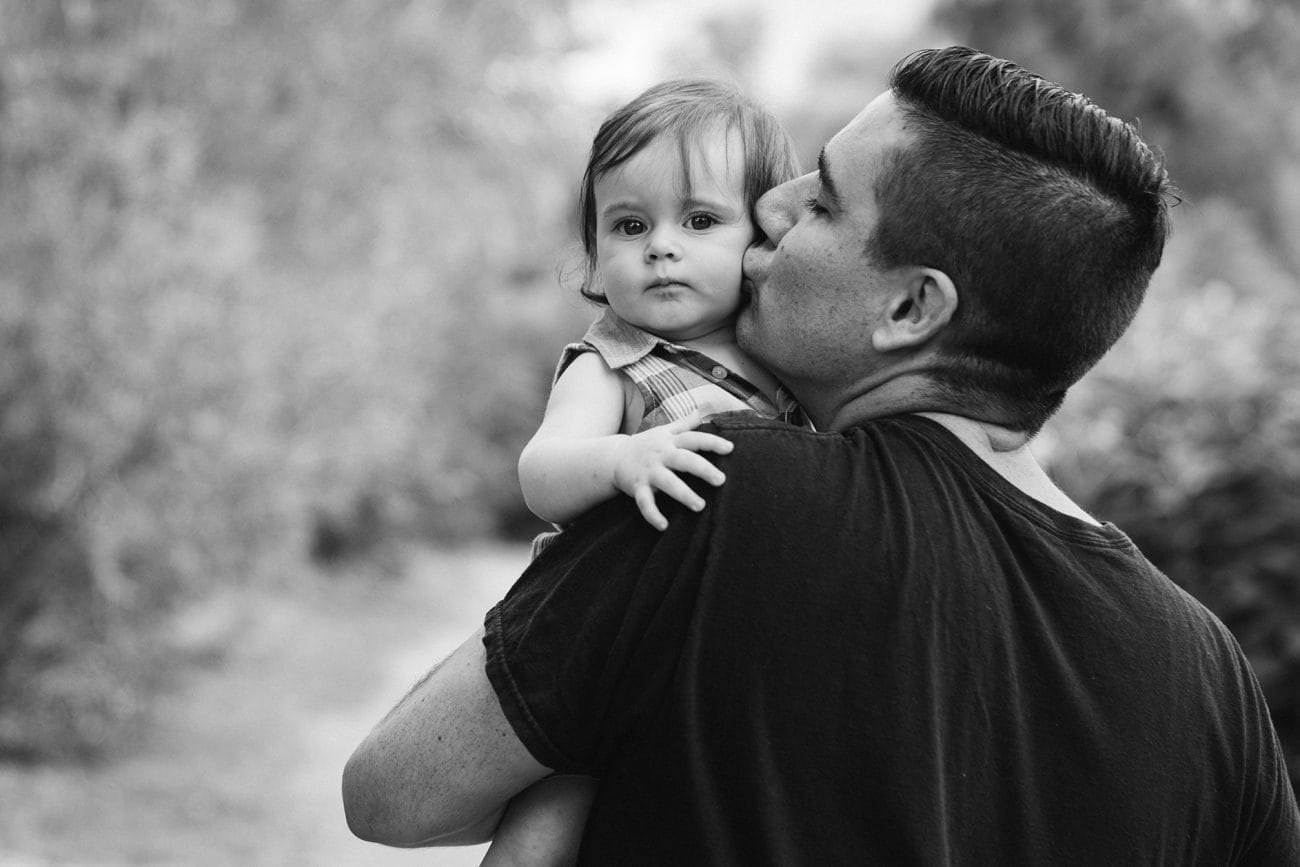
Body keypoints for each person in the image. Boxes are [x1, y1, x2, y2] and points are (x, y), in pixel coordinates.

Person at [343, 46, 1300, 864]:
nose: (772, 208)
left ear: (911, 310)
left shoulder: (723, 487)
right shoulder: (1214, 684)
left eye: (825, 198)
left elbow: (392, 793)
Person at [495, 78, 804, 864]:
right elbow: (543, 471)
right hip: (604, 646)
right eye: (630, 225)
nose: (660, 245)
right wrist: (624, 455)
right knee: (560, 796)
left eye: (700, 220)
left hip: (722, 655)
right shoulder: (613, 363)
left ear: (764, 240)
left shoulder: (787, 362)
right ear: (596, 253)